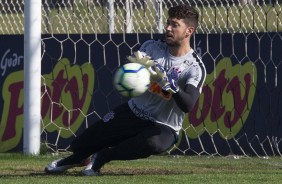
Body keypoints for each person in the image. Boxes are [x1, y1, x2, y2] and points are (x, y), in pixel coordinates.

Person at [45, 4, 206, 176]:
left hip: (164, 126)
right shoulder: (151, 48)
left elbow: (188, 105)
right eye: (167, 23)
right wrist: (145, 80)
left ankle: (102, 157)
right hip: (133, 112)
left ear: (189, 31)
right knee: (81, 144)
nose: (167, 28)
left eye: (174, 25)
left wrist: (172, 88)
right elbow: (140, 81)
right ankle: (78, 158)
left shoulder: (194, 67)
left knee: (153, 144)